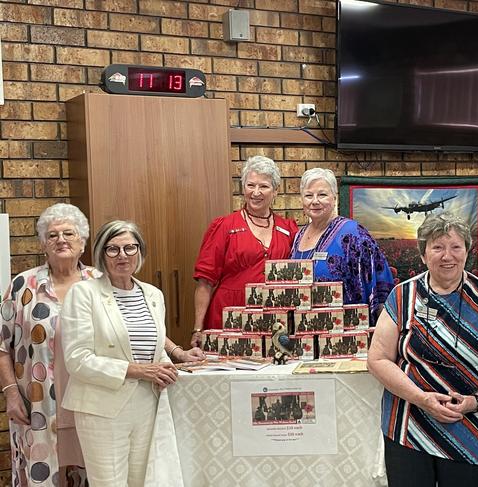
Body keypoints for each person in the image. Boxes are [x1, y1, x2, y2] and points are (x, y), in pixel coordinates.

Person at [368, 212, 478, 487]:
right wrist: (421, 397)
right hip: (409, 425)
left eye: (455, 247)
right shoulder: (402, 295)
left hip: (468, 424)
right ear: (423, 255)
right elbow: (378, 359)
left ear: (467, 252)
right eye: (437, 247)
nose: (447, 255)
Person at [61, 220, 180, 487]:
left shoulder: (153, 294)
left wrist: (171, 364)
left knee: (144, 481)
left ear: (140, 251)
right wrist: (138, 370)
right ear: (102, 254)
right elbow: (77, 359)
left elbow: (153, 346)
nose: (122, 256)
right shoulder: (83, 293)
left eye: (129, 248)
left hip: (146, 404)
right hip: (102, 408)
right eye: (112, 249)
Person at [0, 203, 100, 487]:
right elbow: (1, 344)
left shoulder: (100, 283)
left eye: (69, 233)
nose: (61, 240)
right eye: (52, 235)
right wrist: (10, 394)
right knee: (41, 472)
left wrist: (175, 351)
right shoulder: (23, 285)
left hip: (90, 401)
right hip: (37, 403)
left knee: (92, 470)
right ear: (43, 244)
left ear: (82, 242)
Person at [192, 155, 298, 342]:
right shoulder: (224, 226)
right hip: (229, 316)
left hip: (274, 319)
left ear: (276, 191)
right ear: (243, 188)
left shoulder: (288, 229)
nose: (256, 192)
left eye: (263, 186)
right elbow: (205, 282)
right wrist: (198, 329)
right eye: (251, 185)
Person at [290, 167, 394, 324]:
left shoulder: (353, 233)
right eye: (309, 195)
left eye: (322, 195)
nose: (315, 201)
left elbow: (381, 286)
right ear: (301, 200)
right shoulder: (298, 236)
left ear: (334, 198)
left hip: (345, 335)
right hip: (304, 335)